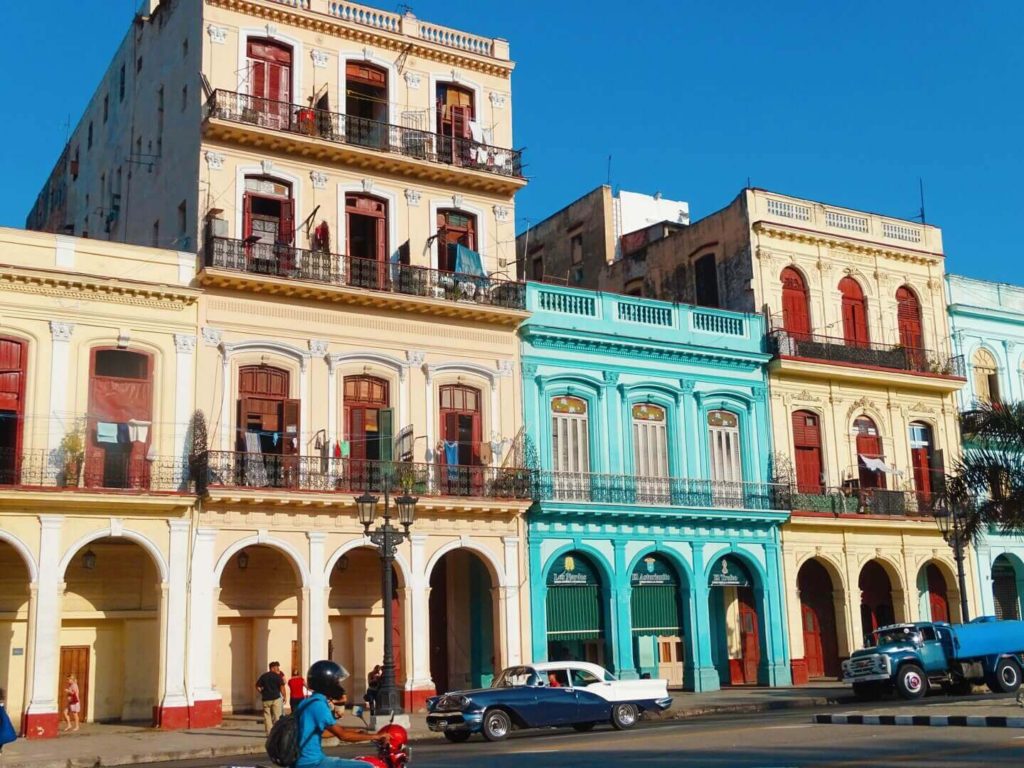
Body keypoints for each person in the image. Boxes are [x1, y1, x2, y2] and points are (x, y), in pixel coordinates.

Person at [295, 660, 389, 768]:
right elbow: (343, 736)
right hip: (312, 763)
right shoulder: (319, 706)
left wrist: (354, 731)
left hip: (301, 761)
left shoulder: (307, 702)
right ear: (327, 684)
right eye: (336, 683)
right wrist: (377, 736)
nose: (339, 686)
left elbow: (321, 732)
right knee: (367, 766)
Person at [256, 661, 287, 734]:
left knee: (267, 717)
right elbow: (282, 687)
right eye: (276, 667)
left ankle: (269, 733)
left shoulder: (264, 676)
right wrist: (284, 696)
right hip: (275, 699)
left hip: (266, 699)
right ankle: (276, 733)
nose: (278, 669)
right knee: (277, 716)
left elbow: (257, 686)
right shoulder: (277, 676)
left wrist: (262, 692)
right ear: (272, 668)